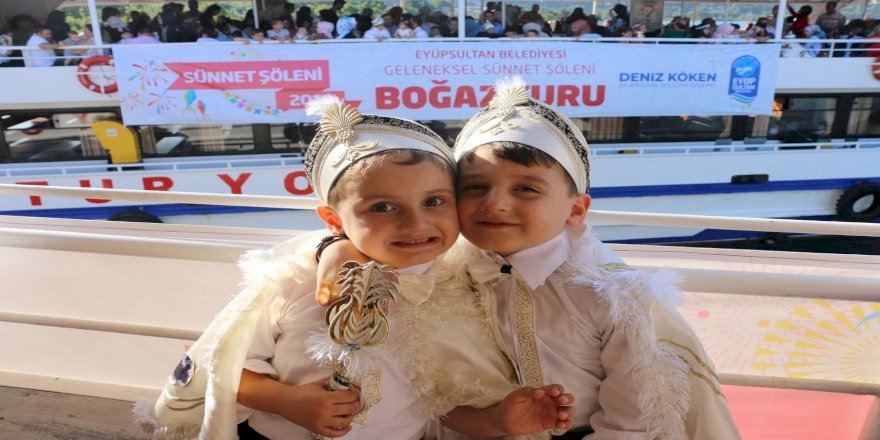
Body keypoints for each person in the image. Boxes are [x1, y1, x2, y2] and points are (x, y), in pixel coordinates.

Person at [137, 96, 574, 439]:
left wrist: (498, 421)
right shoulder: (297, 282)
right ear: (333, 220)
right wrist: (286, 400)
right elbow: (223, 365)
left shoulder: (457, 288)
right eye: (382, 207)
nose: (415, 223)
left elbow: (443, 404)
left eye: (434, 201)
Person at [442, 77, 742, 439]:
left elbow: (633, 420)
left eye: (526, 188)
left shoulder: (613, 294)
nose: (495, 203)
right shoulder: (443, 276)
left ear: (576, 210)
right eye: (475, 187)